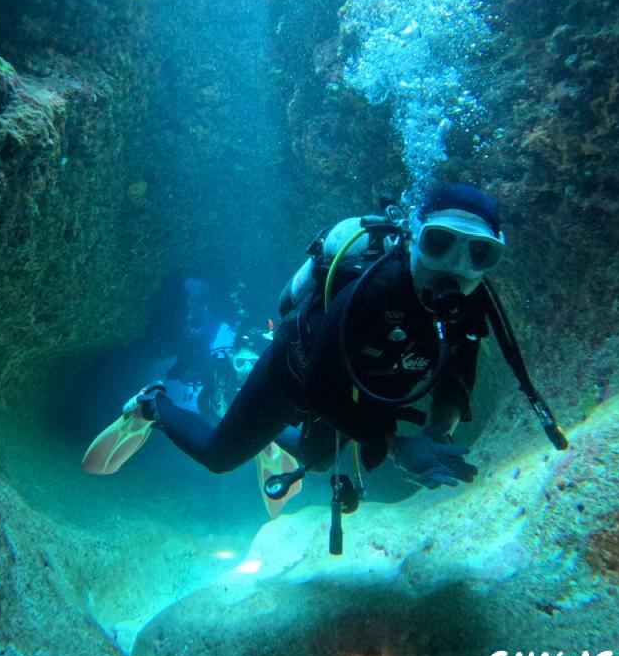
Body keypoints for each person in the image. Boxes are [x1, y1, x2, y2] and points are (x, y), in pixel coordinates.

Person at [82, 184, 557, 501]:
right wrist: (396, 446)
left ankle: (272, 440)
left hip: (360, 384)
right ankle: (152, 404)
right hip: (298, 372)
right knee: (219, 458)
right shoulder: (370, 290)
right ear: (413, 237)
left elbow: (457, 377)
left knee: (319, 458)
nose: (454, 267)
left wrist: (438, 432)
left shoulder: (472, 301)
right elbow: (318, 386)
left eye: (479, 253)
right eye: (438, 244)